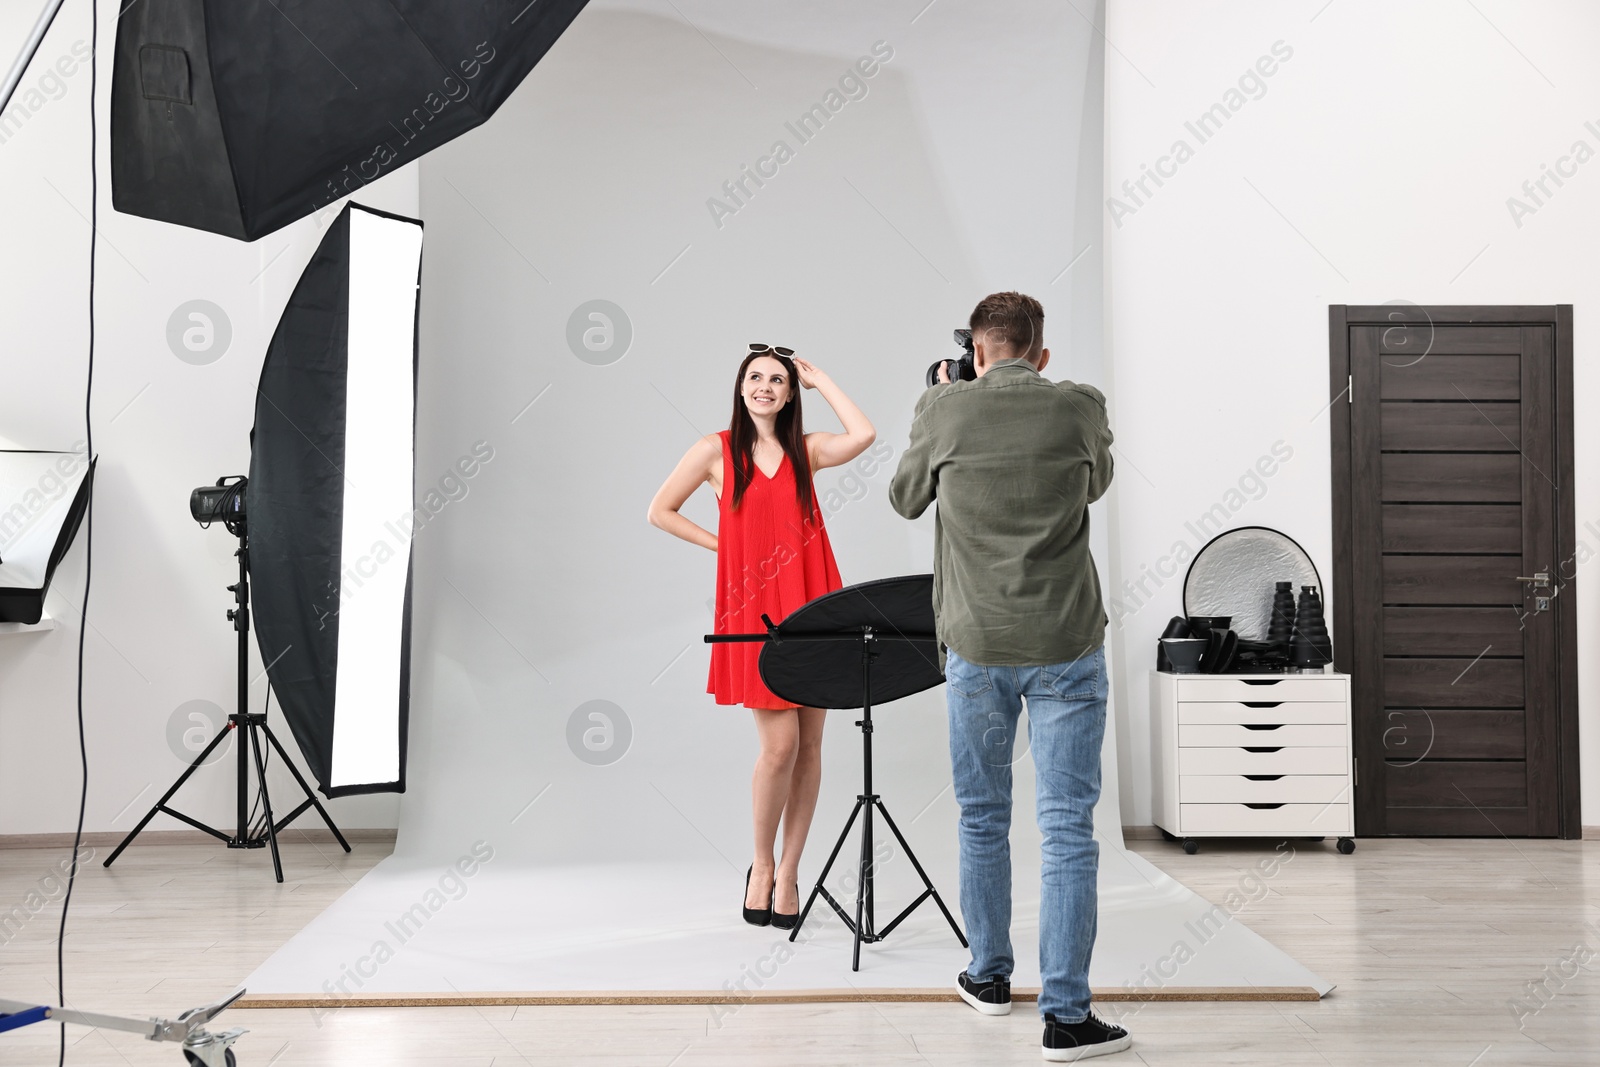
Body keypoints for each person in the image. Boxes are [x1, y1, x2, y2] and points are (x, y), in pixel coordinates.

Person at [889, 293, 1129, 1061]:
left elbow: (903, 498)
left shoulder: (944, 407)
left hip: (978, 645)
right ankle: (1066, 1015)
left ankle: (988, 978)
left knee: (982, 815)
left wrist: (940, 394)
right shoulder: (1079, 406)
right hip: (1065, 642)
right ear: (1041, 351)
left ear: (977, 350)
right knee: (1067, 828)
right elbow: (1095, 485)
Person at [647, 345, 876, 929]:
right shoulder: (714, 451)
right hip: (758, 614)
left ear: (791, 392)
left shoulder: (808, 449)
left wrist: (821, 379)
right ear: (741, 386)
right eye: (756, 378)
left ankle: (792, 871)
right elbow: (661, 511)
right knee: (779, 748)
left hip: (816, 604)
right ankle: (761, 865)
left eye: (778, 380)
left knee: (812, 746)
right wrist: (725, 546)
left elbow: (865, 434)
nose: (766, 387)